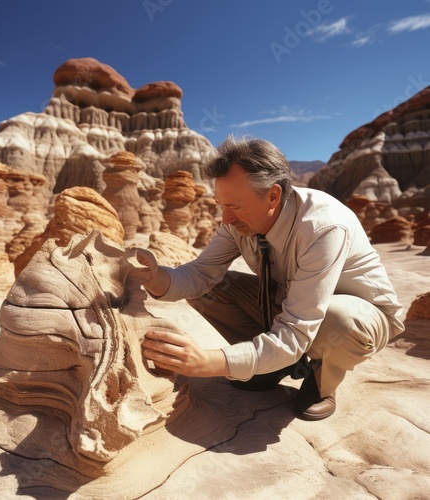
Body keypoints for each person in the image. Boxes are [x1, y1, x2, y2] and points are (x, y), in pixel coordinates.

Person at [138, 136, 405, 421]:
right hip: (294, 307)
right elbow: (200, 274)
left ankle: (321, 379)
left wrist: (208, 362)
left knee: (338, 319)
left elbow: (297, 329)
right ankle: (269, 364)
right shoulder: (236, 221)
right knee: (209, 289)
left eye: (235, 206)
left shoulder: (322, 227)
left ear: (273, 196)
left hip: (358, 319)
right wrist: (155, 277)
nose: (226, 219)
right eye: (221, 205)